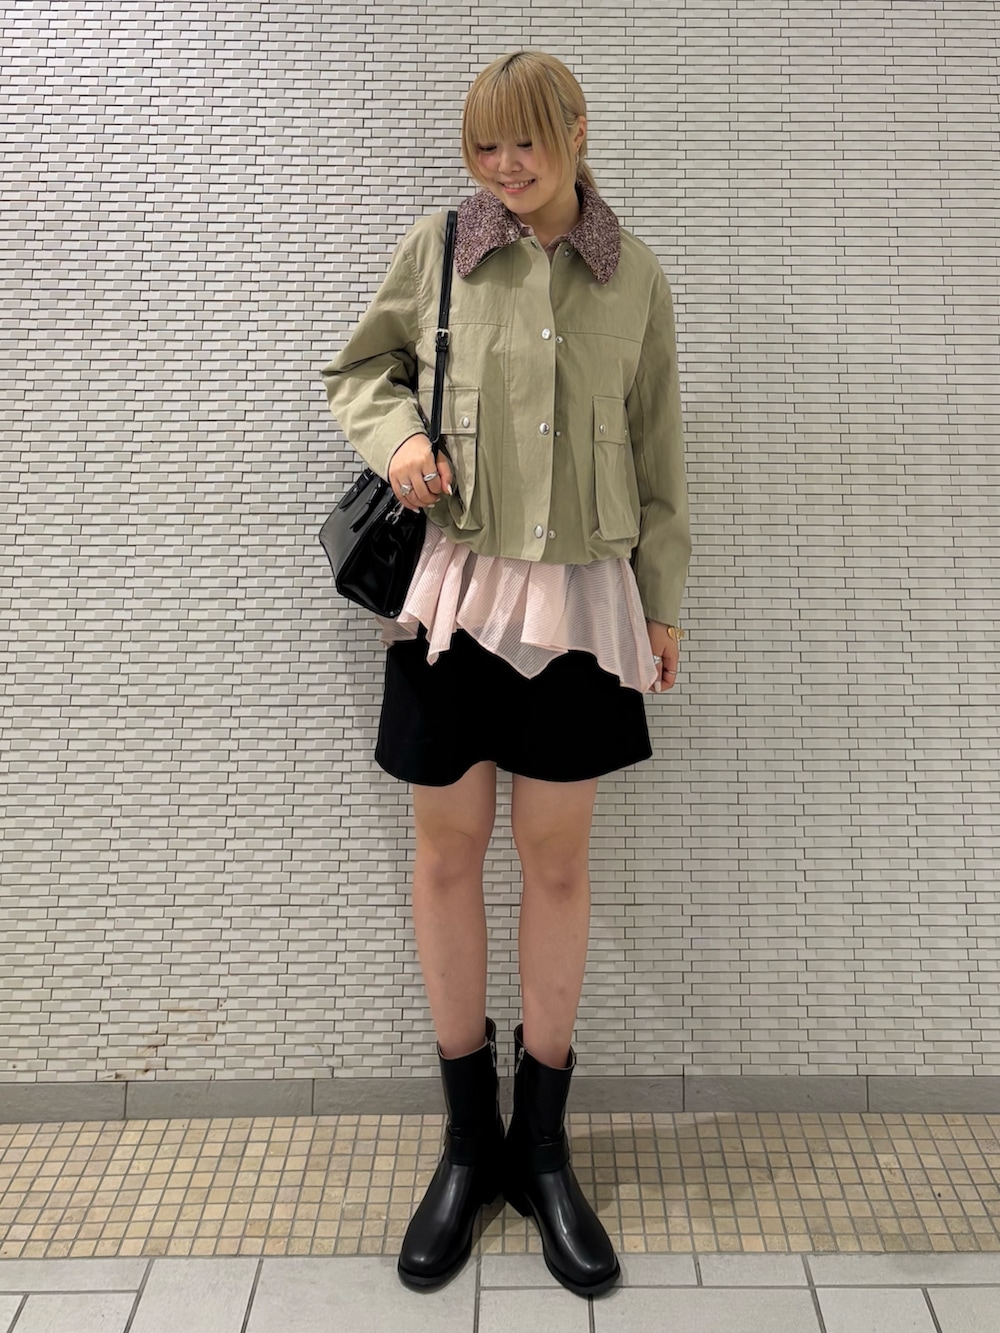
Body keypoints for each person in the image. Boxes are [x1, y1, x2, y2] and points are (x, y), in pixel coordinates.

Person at [320, 49, 690, 1299]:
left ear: (576, 130)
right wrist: (401, 439)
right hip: (455, 596)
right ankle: (467, 1144)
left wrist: (664, 603)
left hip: (584, 603)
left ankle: (542, 1150)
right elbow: (358, 372)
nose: (505, 166)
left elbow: (659, 455)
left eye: (526, 141)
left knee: (557, 860)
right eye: (484, 146)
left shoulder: (633, 275)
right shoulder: (441, 251)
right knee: (444, 853)